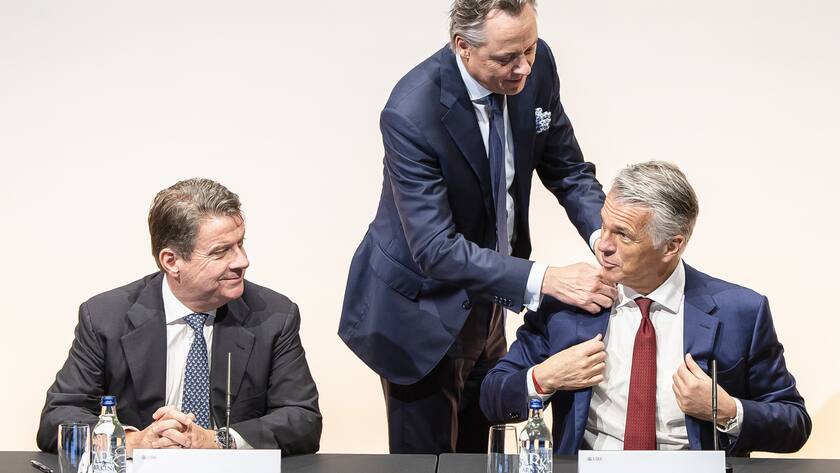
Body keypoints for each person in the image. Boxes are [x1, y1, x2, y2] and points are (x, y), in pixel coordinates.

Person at [338, 0, 617, 454]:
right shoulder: (411, 111)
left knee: (483, 451)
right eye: (507, 57)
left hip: (488, 300)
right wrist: (547, 279)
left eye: (529, 47)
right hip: (418, 314)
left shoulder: (536, 63)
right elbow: (435, 248)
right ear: (462, 47)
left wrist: (607, 236)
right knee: (430, 464)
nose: (524, 67)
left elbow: (567, 170)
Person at [480, 161, 811, 455]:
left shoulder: (741, 312)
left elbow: (794, 424)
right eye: (604, 226)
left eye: (623, 234)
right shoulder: (568, 303)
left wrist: (726, 410)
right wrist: (545, 377)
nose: (603, 245)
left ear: (671, 245)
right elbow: (493, 398)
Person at [37, 178, 322, 456]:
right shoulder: (105, 317)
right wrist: (134, 441)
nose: (241, 261)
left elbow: (302, 420)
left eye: (240, 244)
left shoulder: (274, 315)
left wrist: (219, 441)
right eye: (221, 251)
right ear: (171, 261)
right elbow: (57, 419)